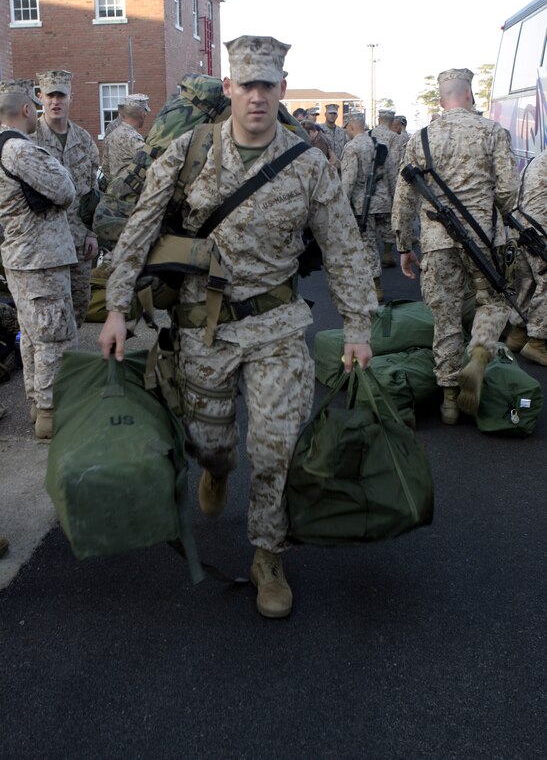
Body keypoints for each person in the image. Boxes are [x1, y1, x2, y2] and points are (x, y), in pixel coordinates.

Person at [99, 35, 376, 619]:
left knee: (275, 445)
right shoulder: (188, 152)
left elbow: (345, 248)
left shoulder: (307, 165)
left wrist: (357, 327)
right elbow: (140, 231)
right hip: (204, 331)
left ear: (281, 89)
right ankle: (215, 470)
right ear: (228, 88)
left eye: (267, 85)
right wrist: (118, 309)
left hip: (276, 325)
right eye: (246, 85)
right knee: (214, 443)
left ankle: (267, 555)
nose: (256, 97)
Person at [392, 67, 520, 424]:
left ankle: (449, 399)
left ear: (441, 98)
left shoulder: (421, 138)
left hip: (436, 242)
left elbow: (404, 196)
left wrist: (404, 244)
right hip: (484, 239)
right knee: (494, 300)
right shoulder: (493, 131)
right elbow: (509, 192)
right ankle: (479, 353)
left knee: (445, 316)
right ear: (468, 94)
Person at [0, 80, 77, 438]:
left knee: (31, 336)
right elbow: (65, 190)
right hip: (40, 258)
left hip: (19, 256)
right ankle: (51, 411)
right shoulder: (20, 149)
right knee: (53, 337)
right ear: (28, 110)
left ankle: (35, 402)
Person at [34, 69, 99, 328]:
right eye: (50, 95)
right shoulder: (29, 140)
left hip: (78, 243)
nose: (55, 102)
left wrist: (92, 233)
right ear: (40, 97)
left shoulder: (83, 140)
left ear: (71, 97)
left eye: (61, 95)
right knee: (49, 317)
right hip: (44, 245)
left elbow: (93, 190)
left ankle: (70, 362)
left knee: (80, 305)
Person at [341, 113, 398, 303]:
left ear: (350, 127)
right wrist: (392, 198)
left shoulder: (352, 147)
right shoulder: (380, 145)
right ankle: (389, 254)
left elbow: (348, 181)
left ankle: (376, 286)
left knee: (368, 246)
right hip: (383, 201)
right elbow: (391, 174)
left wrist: (341, 206)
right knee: (385, 236)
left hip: (362, 205)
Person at [505, 150, 547, 365]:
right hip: (538, 232)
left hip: (520, 227)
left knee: (528, 283)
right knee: (545, 283)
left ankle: (517, 334)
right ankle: (537, 342)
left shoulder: (540, 157)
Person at [370, 108, 402, 268]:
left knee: (370, 227)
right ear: (391, 121)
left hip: (369, 187)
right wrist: (396, 190)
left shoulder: (369, 135)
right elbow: (394, 164)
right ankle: (388, 254)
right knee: (388, 223)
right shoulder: (393, 137)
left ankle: (373, 256)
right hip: (385, 186)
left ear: (378, 120)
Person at [101, 94, 150, 184]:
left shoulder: (111, 135)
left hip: (114, 192)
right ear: (143, 115)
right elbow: (149, 165)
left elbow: (105, 167)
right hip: (131, 195)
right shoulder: (134, 139)